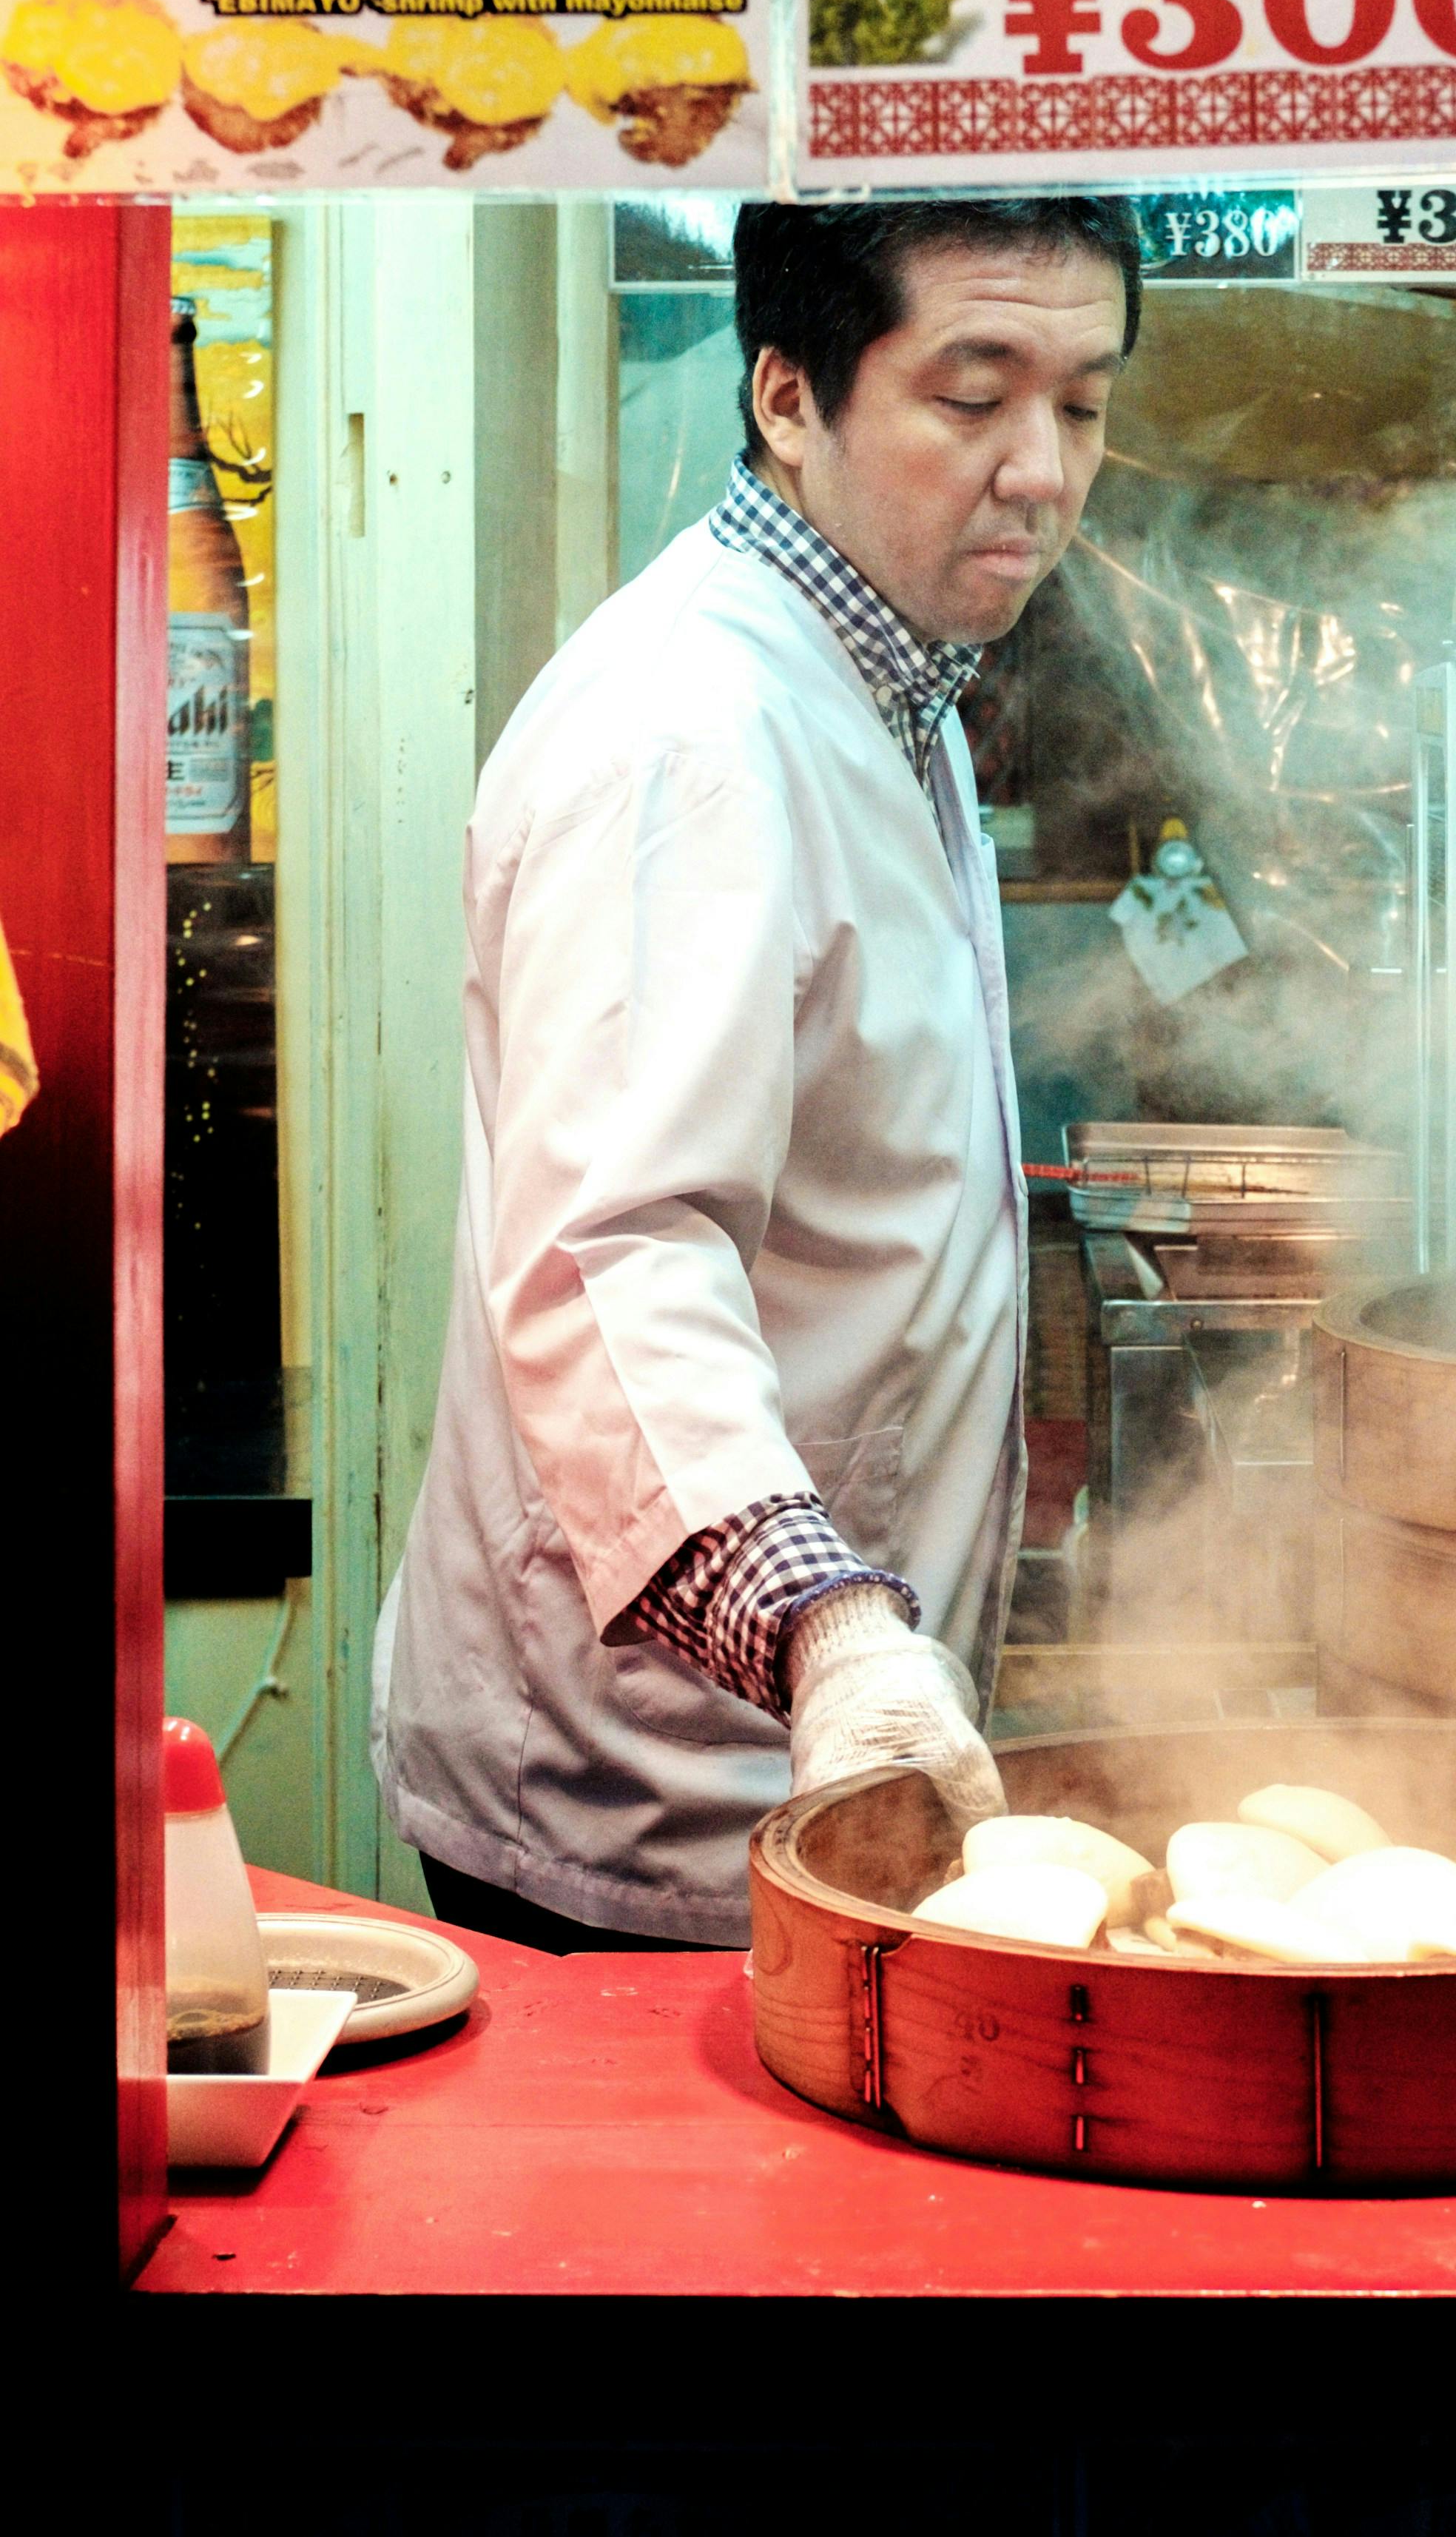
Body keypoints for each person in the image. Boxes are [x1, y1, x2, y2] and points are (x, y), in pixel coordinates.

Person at [376, 195, 1139, 1949]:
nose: (1042, 469)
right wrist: (830, 1634)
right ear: (789, 396)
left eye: (1083, 403)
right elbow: (612, 1257)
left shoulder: (896, 683)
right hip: (659, 1785)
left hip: (815, 1758)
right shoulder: (688, 736)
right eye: (975, 395)